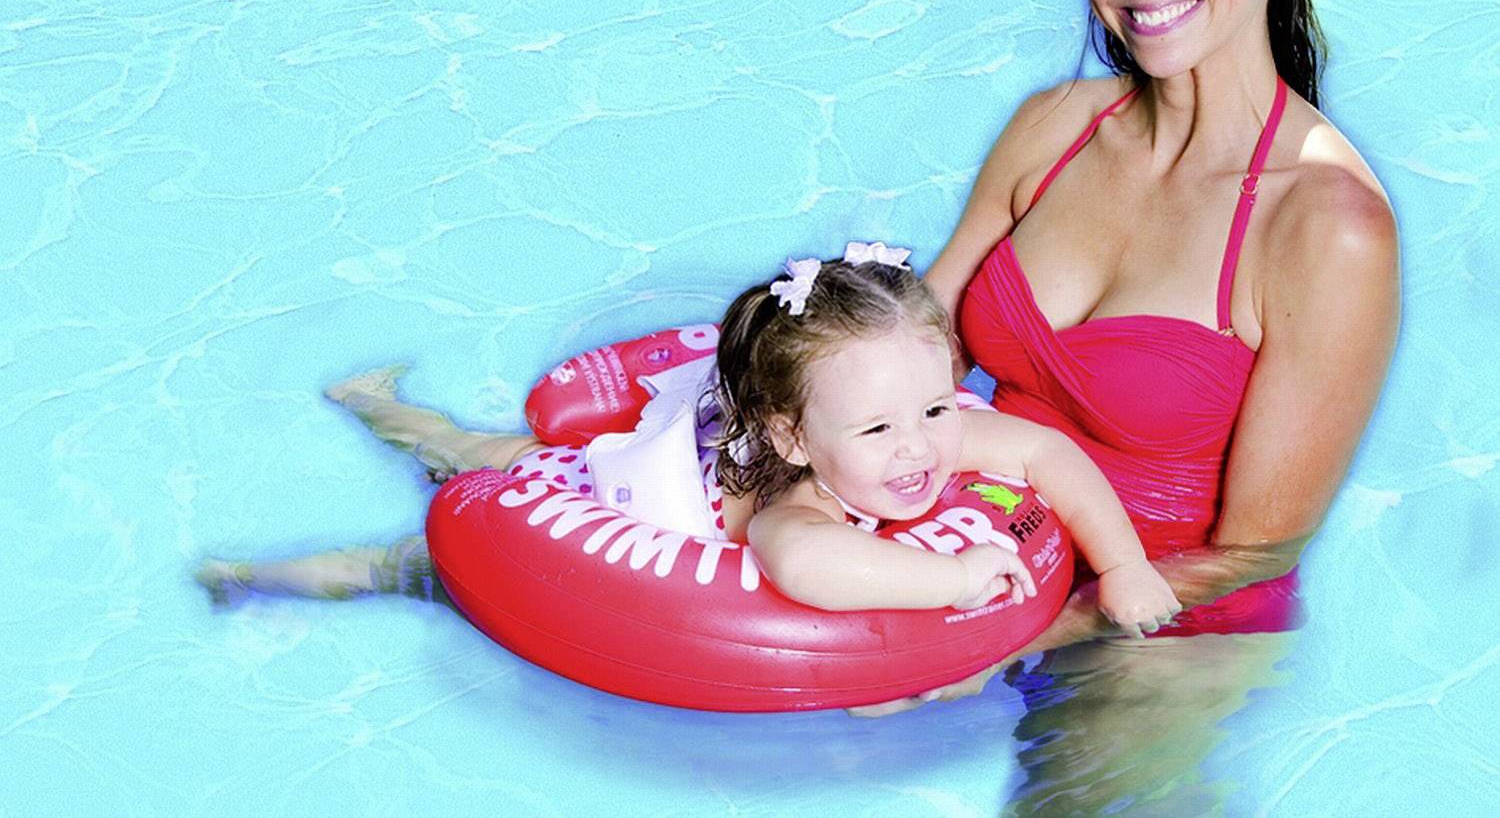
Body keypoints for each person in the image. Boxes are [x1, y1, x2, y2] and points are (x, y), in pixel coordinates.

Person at [896, 0, 1400, 811]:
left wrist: (1006, 639)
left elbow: (1255, 548)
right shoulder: (1054, 129)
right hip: (985, 548)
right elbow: (913, 347)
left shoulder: (1324, 226)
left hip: (1159, 634)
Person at [197, 247, 1180, 637]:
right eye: (881, 427)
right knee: (439, 532)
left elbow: (1047, 455)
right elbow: (811, 567)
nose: (923, 447)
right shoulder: (797, 503)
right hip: (602, 494)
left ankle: (389, 415)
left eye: (935, 407)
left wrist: (1125, 564)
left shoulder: (917, 434)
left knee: (474, 453)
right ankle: (256, 568)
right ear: (796, 435)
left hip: (711, 444)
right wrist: (956, 577)